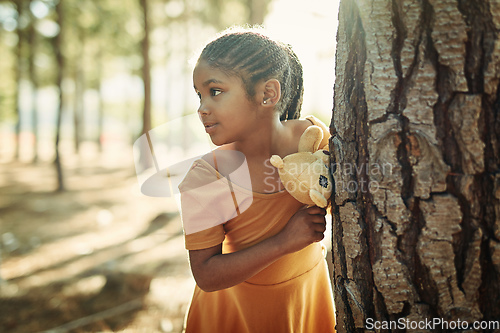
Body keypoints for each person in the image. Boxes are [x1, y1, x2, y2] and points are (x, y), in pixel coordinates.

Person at [178, 27, 336, 333]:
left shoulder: (316, 139)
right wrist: (283, 243)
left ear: (267, 94)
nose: (202, 108)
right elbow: (207, 275)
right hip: (234, 313)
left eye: (216, 91)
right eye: (199, 95)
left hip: (306, 299)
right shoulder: (206, 177)